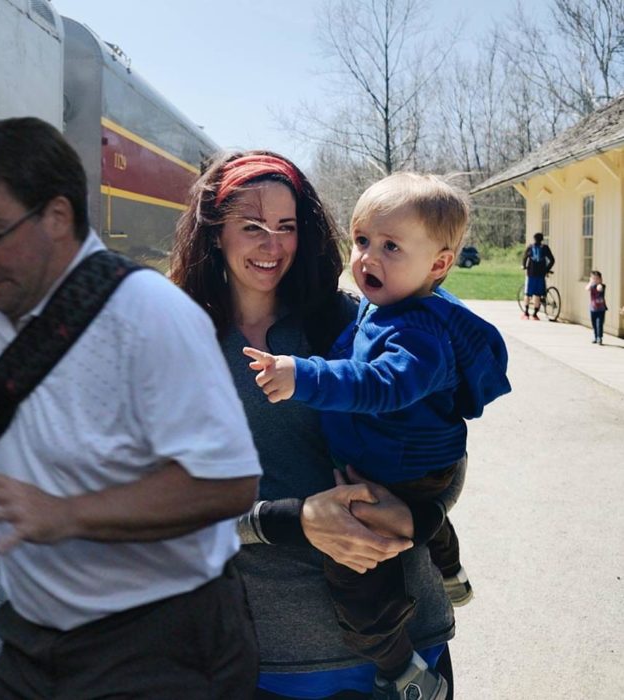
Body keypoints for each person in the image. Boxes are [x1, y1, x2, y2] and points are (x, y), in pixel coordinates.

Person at [0, 117, 262, 699]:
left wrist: (68, 513)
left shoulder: (151, 316)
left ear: (57, 216)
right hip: (31, 635)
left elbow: (230, 485)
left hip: (163, 644)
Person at [171, 152, 466, 700]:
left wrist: (416, 513)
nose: (272, 245)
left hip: (410, 635)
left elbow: (445, 456)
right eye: (251, 226)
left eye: (286, 227)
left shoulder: (360, 323)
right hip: (268, 658)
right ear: (214, 232)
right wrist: (294, 520)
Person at [242, 172, 511, 699]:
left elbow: (379, 384)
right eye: (362, 240)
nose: (368, 258)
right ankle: (450, 566)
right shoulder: (379, 309)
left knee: (357, 578)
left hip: (404, 472)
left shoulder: (413, 328)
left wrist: (304, 374)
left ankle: (400, 668)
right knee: (408, 511)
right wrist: (286, 520)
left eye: (391, 246)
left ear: (438, 263)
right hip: (266, 652)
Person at [521, 232, 555, 320]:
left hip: (531, 273)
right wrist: (547, 269)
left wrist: (524, 266)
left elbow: (524, 258)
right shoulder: (545, 248)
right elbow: (552, 260)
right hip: (541, 274)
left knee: (527, 293)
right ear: (542, 239)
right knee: (538, 294)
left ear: (534, 239)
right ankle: (535, 314)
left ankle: (526, 313)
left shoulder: (530, 247)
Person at [586, 270, 608, 344]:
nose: (595, 280)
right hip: (593, 309)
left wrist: (598, 284)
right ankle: (595, 337)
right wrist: (590, 282)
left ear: (600, 279)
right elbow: (587, 288)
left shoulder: (602, 285)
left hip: (601, 309)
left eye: (597, 278)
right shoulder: (591, 286)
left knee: (599, 324)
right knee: (594, 324)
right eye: (593, 278)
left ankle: (599, 338)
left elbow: (599, 288)